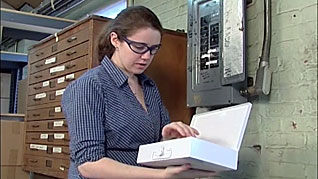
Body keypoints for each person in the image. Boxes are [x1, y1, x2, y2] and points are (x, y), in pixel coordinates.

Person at [62, 5, 215, 179]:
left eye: (153, 49)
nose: (146, 56)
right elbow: (89, 164)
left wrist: (167, 138)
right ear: (115, 40)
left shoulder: (148, 86)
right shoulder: (89, 86)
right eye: (139, 47)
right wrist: (161, 176)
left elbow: (151, 148)